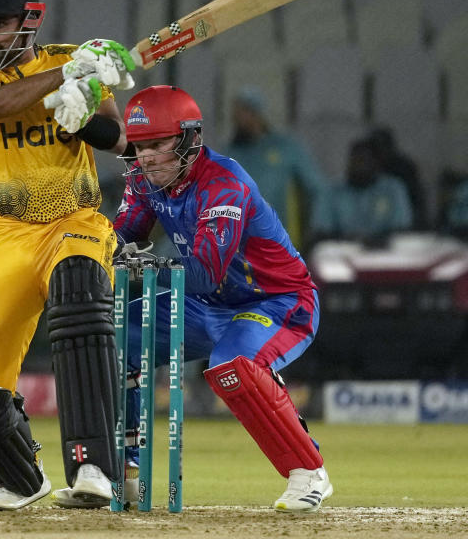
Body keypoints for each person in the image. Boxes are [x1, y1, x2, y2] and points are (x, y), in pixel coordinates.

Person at [57, 85, 333, 512]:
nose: (146, 156)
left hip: (277, 302)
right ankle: (124, 475)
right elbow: (122, 234)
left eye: (158, 145)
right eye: (141, 145)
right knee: (113, 340)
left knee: (231, 366)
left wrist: (139, 266)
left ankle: (308, 472)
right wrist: (89, 252)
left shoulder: (224, 184)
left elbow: (204, 274)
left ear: (189, 139)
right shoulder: (145, 179)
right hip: (207, 305)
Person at [0, 0, 136, 510]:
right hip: (4, 236)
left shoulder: (70, 58)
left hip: (71, 222)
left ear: (29, 21)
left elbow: (119, 140)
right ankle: (19, 479)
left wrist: (83, 113)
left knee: (78, 291)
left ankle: (94, 467)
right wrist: (65, 78)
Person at [227, 86, 327, 250]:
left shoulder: (286, 148)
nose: (237, 118)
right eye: (235, 113)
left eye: (242, 112)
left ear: (256, 114)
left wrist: (318, 227)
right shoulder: (230, 154)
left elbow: (317, 188)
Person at [313, 137, 414, 244]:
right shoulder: (333, 192)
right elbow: (321, 232)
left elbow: (402, 229)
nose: (358, 166)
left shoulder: (393, 189)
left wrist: (373, 241)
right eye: (355, 160)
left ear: (377, 163)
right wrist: (351, 240)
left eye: (364, 160)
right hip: (343, 250)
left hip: (385, 251)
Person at [365, 126, 425, 229]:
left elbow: (413, 199)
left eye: (380, 147)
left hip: (404, 219)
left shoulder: (403, 168)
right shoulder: (369, 170)